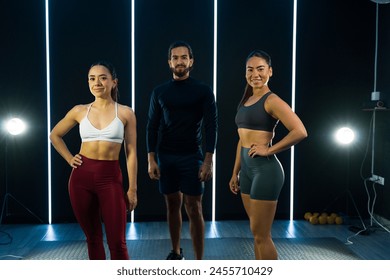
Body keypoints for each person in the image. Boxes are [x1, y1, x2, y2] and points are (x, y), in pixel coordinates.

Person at [49, 61, 137, 260]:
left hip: (111, 179)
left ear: (114, 82)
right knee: (93, 239)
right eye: (92, 78)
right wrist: (70, 158)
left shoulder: (125, 113)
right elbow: (55, 135)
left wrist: (132, 189)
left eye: (102, 78)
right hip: (81, 179)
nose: (96, 82)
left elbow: (131, 153)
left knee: (117, 242)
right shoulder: (80, 110)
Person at [229, 50, 307, 260]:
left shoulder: (272, 100)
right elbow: (241, 139)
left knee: (262, 235)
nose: (255, 74)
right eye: (250, 69)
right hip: (246, 171)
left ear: (270, 71)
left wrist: (268, 149)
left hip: (266, 171)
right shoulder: (246, 100)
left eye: (260, 69)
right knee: (256, 234)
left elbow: (300, 131)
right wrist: (235, 172)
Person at [147, 40, 218, 260]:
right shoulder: (160, 91)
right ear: (169, 62)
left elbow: (211, 125)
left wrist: (208, 160)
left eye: (184, 57)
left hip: (192, 156)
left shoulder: (203, 91)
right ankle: (176, 252)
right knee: (172, 204)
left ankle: (199, 262)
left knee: (194, 207)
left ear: (191, 61)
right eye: (175, 57)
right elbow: (152, 125)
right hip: (166, 156)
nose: (180, 61)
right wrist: (151, 158)